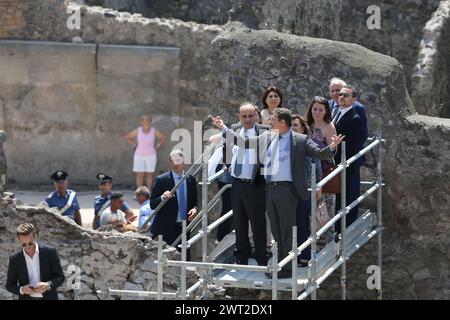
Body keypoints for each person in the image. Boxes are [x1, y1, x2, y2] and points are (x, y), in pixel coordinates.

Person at [211, 108, 344, 278]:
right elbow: (245, 143)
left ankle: (287, 267)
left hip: (287, 190)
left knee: (287, 229)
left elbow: (319, 153)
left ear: (282, 122)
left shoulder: (300, 139)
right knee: (276, 229)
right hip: (270, 189)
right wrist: (224, 129)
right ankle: (281, 262)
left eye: (273, 119)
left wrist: (332, 147)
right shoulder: (267, 137)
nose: (269, 122)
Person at [222, 103, 270, 265]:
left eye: (251, 116)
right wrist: (228, 165)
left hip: (255, 183)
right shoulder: (234, 130)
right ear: (239, 116)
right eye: (244, 116)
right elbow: (226, 149)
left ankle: (261, 255)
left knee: (257, 221)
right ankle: (242, 255)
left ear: (256, 116)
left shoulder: (264, 131)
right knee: (239, 221)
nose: (248, 119)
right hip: (237, 183)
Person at [305, 96, 338, 242]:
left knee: (324, 203)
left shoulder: (328, 126)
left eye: (320, 110)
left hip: (323, 169)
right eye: (314, 109)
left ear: (325, 111)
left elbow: (333, 150)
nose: (317, 112)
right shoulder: (307, 125)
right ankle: (311, 235)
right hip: (307, 168)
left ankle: (325, 235)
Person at [150, 150, 198, 247]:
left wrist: (195, 209)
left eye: (178, 160)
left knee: (184, 258)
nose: (176, 163)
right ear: (170, 163)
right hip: (165, 229)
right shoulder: (161, 180)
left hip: (184, 228)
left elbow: (194, 202)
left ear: (184, 161)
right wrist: (162, 197)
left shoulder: (190, 179)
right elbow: (152, 204)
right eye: (173, 161)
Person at [291, 114, 322, 266]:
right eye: (290, 125)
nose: (293, 128)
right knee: (291, 223)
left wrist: (318, 188)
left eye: (296, 125)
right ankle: (292, 255)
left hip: (306, 189)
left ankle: (304, 254)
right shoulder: (285, 144)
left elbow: (318, 167)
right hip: (289, 190)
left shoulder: (309, 143)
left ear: (303, 128)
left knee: (302, 222)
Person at [333, 85, 363, 236]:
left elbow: (350, 145)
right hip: (334, 162)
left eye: (346, 95)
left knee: (343, 197)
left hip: (344, 163)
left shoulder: (354, 118)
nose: (342, 97)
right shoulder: (336, 112)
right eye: (340, 95)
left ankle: (340, 231)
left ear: (353, 99)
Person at [6, 223, 65, 300]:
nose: (27, 247)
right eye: (24, 244)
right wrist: (21, 290)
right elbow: (9, 285)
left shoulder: (50, 252)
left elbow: (60, 277)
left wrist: (48, 285)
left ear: (35, 236)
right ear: (19, 240)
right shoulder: (15, 258)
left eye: (30, 243)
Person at [328, 78, 369, 167]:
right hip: (331, 157)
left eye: (338, 91)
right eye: (333, 91)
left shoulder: (357, 110)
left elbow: (362, 135)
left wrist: (347, 157)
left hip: (346, 160)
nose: (336, 94)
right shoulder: (328, 105)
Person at [126, 115, 167, 190]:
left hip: (151, 155)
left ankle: (149, 192)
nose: (145, 122)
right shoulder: (138, 130)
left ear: (150, 122)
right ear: (141, 122)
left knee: (149, 174)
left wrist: (157, 145)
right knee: (140, 174)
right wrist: (135, 144)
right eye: (144, 120)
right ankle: (139, 192)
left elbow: (163, 138)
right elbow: (128, 137)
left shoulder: (153, 131)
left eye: (147, 120)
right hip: (139, 155)